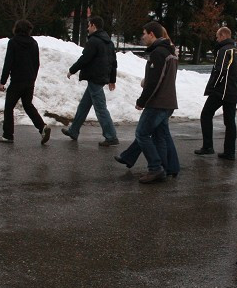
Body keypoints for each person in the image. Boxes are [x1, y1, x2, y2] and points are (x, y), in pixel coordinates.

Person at [118, 21, 179, 184]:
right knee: (160, 135)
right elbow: (166, 78)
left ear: (152, 34)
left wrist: (142, 100)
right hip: (167, 102)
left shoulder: (158, 52)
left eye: (144, 33)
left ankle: (155, 168)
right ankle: (165, 169)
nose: (142, 36)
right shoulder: (170, 52)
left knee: (142, 134)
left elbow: (155, 81)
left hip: (157, 103)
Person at [62, 16, 119, 146]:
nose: (87, 28)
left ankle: (111, 136)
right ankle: (73, 131)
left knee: (100, 108)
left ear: (93, 26)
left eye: (89, 25)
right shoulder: (108, 42)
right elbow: (113, 62)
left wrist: (72, 70)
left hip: (95, 78)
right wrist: (112, 79)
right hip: (100, 77)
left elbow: (85, 58)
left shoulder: (94, 41)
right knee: (84, 106)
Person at [0, 19, 51, 145]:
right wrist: (32, 78)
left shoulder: (13, 42)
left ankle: (8, 135)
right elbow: (36, 63)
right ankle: (42, 127)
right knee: (28, 105)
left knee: (9, 107)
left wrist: (2, 82)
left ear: (17, 28)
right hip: (29, 81)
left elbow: (8, 63)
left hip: (17, 81)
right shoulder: (33, 43)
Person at [195, 26, 237, 159]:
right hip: (233, 90)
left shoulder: (224, 50)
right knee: (230, 121)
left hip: (221, 91)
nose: (216, 40)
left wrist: (212, 87)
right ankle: (230, 152)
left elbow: (220, 70)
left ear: (223, 36)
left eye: (217, 37)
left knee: (206, 114)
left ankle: (208, 146)